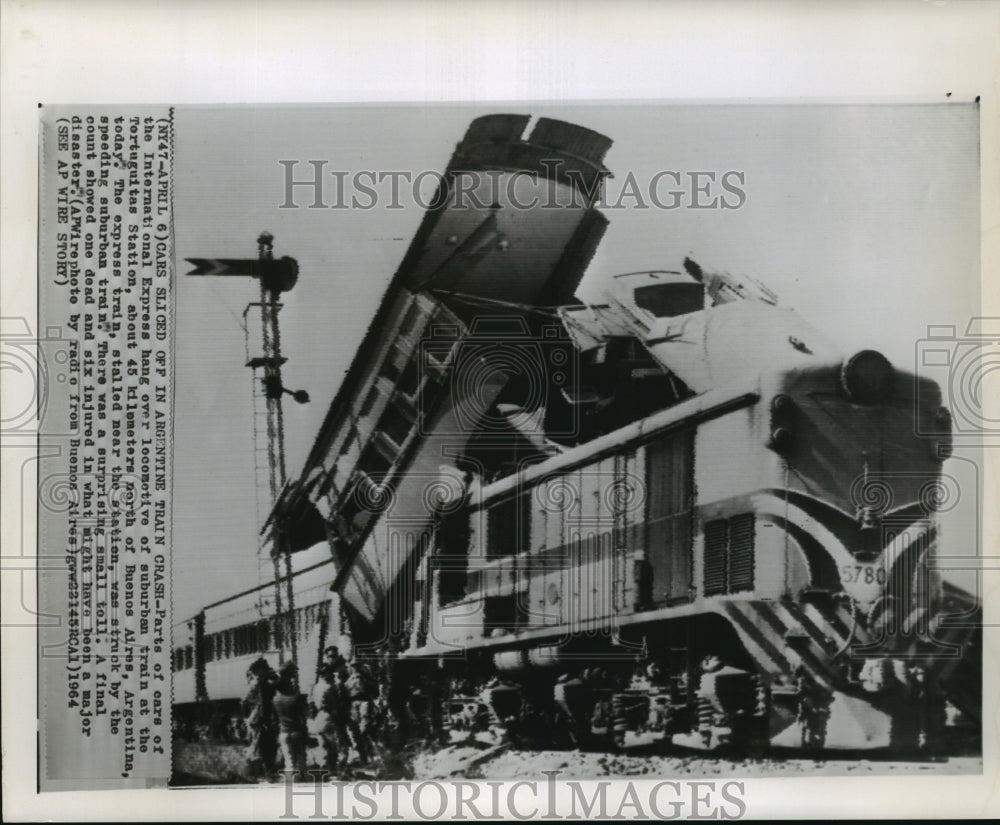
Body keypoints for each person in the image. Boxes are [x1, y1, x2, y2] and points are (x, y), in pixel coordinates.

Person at [241, 657, 278, 779]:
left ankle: (259, 771)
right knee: (259, 745)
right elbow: (255, 702)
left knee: (261, 744)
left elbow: (244, 702)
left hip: (259, 718)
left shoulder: (258, 682)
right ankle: (255, 772)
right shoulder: (257, 684)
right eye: (263, 670)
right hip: (259, 719)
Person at [273, 660, 308, 779]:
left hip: (283, 732)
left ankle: (290, 782)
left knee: (289, 761)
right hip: (296, 731)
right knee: (301, 758)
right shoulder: (296, 699)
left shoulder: (276, 700)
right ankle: (304, 779)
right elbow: (302, 717)